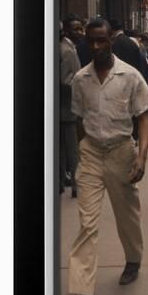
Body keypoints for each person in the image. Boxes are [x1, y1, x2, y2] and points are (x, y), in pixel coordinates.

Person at [65, 19, 148, 295]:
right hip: (91, 153)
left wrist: (141, 157)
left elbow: (144, 117)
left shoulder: (129, 76)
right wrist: (83, 152)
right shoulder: (80, 78)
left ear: (110, 42)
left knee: (127, 215)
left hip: (121, 152)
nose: (95, 46)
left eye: (101, 41)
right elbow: (79, 118)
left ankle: (133, 259)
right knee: (87, 224)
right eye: (90, 41)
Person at [60, 17, 82, 197]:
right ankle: (77, 183)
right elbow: (66, 80)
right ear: (66, 31)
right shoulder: (67, 51)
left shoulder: (68, 48)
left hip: (63, 108)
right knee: (72, 148)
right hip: (67, 108)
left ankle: (61, 180)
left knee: (61, 148)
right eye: (76, 29)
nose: (80, 32)